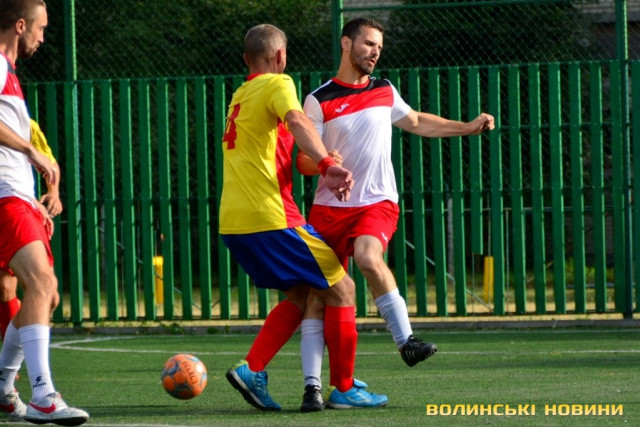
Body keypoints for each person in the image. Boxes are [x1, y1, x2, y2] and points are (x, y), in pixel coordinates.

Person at [296, 17, 495, 408]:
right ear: (346, 44)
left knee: (368, 256)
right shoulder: (318, 99)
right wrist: (323, 161)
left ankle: (407, 341)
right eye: (368, 44)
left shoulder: (384, 90)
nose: (375, 52)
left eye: (379, 47)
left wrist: (468, 127)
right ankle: (312, 389)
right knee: (318, 298)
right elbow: (303, 160)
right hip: (329, 210)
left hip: (377, 201)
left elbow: (417, 122)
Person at [221, 23, 389, 412]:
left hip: (234, 223)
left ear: (246, 59)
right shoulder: (278, 83)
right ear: (280, 56)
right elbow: (297, 121)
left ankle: (252, 369)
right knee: (343, 289)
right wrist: (327, 163)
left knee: (301, 295)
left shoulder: (239, 95)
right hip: (271, 217)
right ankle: (343, 388)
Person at [0, 0, 89, 425]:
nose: (43, 36)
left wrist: (35, 197)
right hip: (6, 197)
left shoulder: (10, 73)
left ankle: (4, 386)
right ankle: (43, 396)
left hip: (16, 196)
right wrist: (30, 151)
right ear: (21, 25)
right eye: (41, 27)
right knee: (41, 283)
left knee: (44, 295)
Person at [0, 119, 62, 342]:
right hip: (9, 208)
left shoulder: (26, 124)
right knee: (5, 287)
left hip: (20, 207)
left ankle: (11, 356)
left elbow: (49, 163)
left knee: (49, 296)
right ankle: (15, 359)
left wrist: (52, 193)